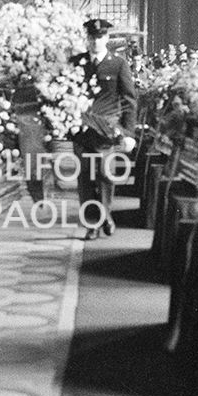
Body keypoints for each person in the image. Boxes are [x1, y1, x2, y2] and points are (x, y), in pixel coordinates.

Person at [72, 17, 137, 239]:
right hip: (82, 132)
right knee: (85, 179)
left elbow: (129, 100)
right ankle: (93, 224)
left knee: (104, 175)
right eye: (92, 37)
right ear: (87, 38)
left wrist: (128, 133)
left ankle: (105, 215)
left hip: (107, 131)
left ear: (107, 38)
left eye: (100, 37)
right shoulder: (76, 62)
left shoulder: (118, 64)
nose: (95, 41)